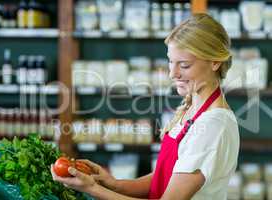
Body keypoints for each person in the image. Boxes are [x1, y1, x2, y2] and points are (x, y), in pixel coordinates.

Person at [51, 13, 240, 200]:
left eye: (184, 65)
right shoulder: (194, 108)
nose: (172, 74)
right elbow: (163, 178)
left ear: (215, 62)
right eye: (171, 62)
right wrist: (112, 183)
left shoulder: (213, 125)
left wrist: (93, 189)